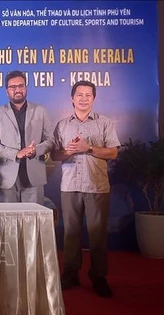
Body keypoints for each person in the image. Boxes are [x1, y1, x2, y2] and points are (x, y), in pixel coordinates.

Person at [51, 80, 120, 298]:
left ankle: (98, 276)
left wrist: (88, 148)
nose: (83, 98)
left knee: (97, 234)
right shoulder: (62, 125)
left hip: (96, 186)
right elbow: (54, 155)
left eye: (87, 95)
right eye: (79, 94)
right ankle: (70, 273)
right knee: (70, 233)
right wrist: (68, 152)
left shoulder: (104, 123)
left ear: (94, 98)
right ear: (72, 98)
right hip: (70, 185)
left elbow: (113, 153)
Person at [0, 70, 54, 204]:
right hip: (6, 177)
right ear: (7, 91)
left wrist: (36, 150)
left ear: (26, 88)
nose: (17, 90)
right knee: (7, 222)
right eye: (12, 87)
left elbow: (51, 140)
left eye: (21, 86)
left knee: (33, 222)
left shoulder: (40, 110)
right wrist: (16, 153)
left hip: (34, 175)